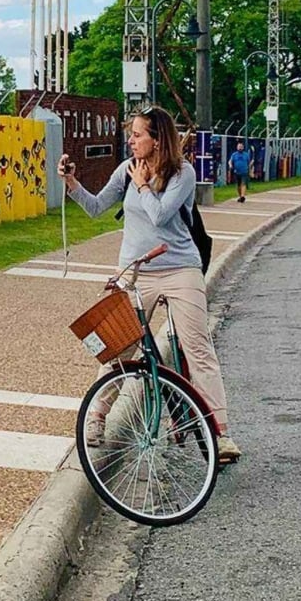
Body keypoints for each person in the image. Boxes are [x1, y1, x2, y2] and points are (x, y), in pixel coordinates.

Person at [59, 105, 240, 465]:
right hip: (134, 270)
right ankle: (97, 417)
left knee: (197, 347)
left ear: (157, 140)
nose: (131, 140)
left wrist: (142, 185)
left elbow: (160, 214)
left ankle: (218, 433)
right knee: (118, 345)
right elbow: (96, 208)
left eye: (138, 134)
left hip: (178, 268)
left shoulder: (182, 173)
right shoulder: (125, 171)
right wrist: (72, 184)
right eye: (131, 134)